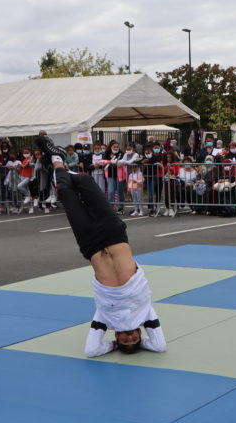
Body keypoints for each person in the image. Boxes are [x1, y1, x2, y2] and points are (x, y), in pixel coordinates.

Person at [34, 134, 166, 358]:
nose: (130, 337)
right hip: (114, 235)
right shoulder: (145, 313)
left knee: (66, 193)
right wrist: (142, 342)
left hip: (91, 245)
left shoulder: (104, 318)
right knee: (85, 183)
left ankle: (56, 159)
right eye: (135, 339)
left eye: (126, 341)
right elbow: (159, 346)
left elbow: (91, 350)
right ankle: (63, 165)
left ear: (115, 337)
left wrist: (113, 346)